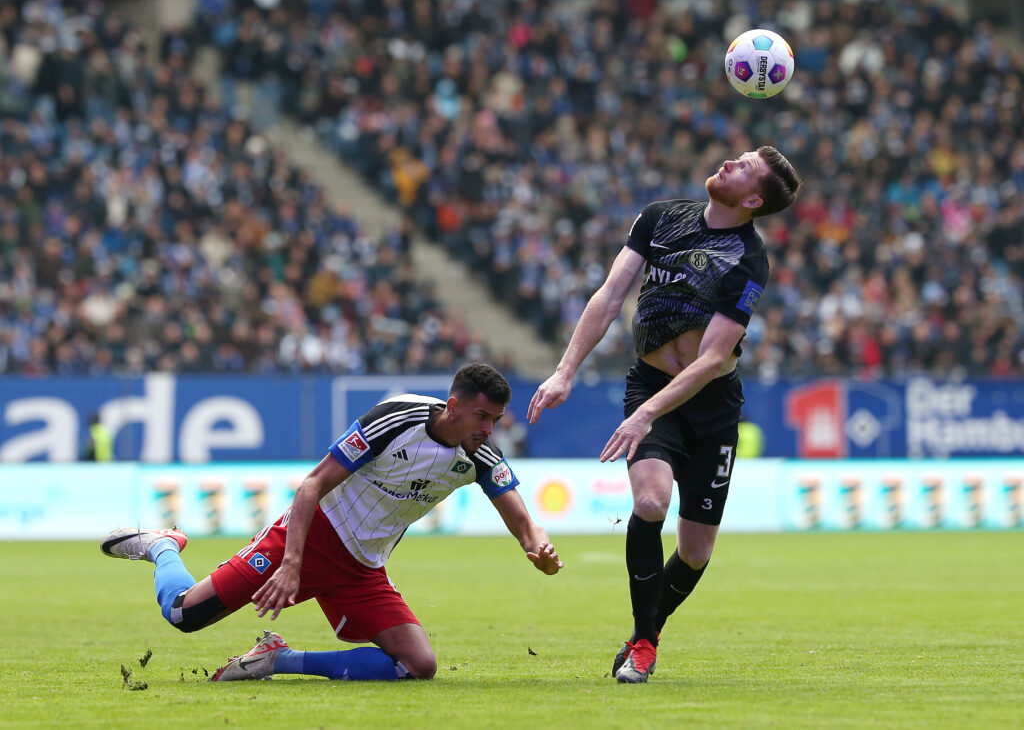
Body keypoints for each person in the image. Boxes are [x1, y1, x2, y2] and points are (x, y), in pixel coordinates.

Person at [101, 363, 562, 682]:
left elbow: (523, 520)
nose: (488, 429)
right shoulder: (396, 418)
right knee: (183, 613)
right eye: (482, 416)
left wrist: (537, 548)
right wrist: (291, 564)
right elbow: (310, 486)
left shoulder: (480, 456)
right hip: (307, 539)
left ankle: (277, 660)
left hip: (362, 569)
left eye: (496, 420)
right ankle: (161, 545)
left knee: (418, 665)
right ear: (453, 404)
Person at [528, 146, 801, 683]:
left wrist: (642, 415)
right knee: (650, 501)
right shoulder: (659, 218)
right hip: (650, 384)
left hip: (711, 406)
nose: (729, 163)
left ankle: (643, 634)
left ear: (752, 200)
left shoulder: (748, 261)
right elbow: (609, 298)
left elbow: (714, 358)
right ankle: (647, 642)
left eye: (743, 168)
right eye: (737, 156)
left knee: (695, 553)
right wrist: (564, 371)